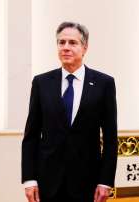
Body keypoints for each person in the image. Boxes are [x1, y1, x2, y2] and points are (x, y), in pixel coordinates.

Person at [21, 21, 118, 202]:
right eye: (61, 42)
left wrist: (105, 181)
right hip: (47, 181)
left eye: (72, 43)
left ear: (85, 47)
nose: (66, 47)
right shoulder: (41, 83)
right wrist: (29, 179)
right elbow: (31, 136)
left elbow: (111, 139)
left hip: (87, 182)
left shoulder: (104, 83)